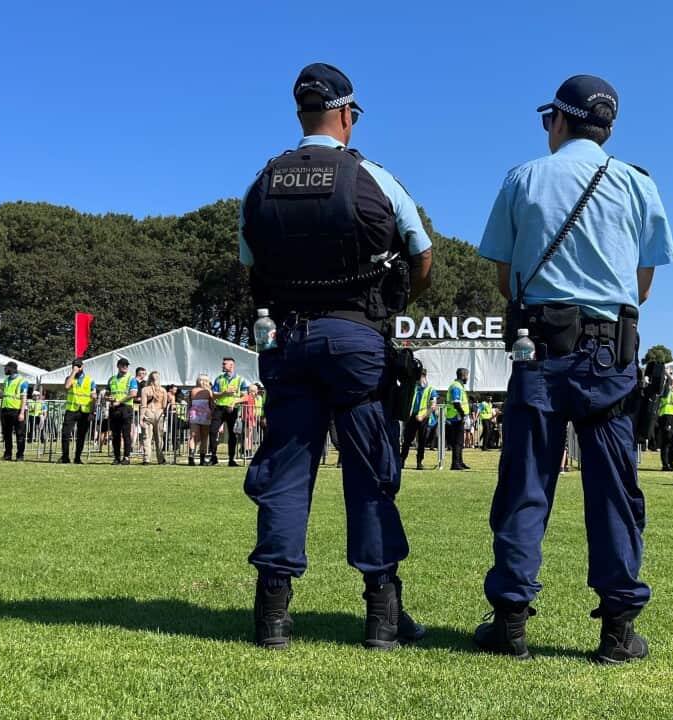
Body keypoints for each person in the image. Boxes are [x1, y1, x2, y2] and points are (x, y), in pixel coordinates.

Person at [473, 74, 673, 664]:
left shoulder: (524, 177)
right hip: (612, 351)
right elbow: (644, 280)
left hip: (538, 349)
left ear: (558, 121)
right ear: (608, 128)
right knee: (614, 489)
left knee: (525, 484)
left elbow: (503, 274)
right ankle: (617, 630)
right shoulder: (639, 184)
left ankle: (510, 621)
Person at [237, 62, 433, 651]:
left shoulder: (261, 182)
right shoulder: (374, 177)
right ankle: (382, 615)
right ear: (347, 114)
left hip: (288, 343)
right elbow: (421, 256)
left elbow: (250, 266)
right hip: (355, 341)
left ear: (301, 113)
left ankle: (272, 615)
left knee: (284, 475)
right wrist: (392, 304)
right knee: (370, 471)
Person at [210, 357, 247, 467]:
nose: (222, 366)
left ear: (231, 365)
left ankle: (231, 459)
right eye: (223, 364)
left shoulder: (240, 380)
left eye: (224, 364)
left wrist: (235, 402)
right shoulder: (219, 378)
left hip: (232, 410)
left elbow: (245, 397)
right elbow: (213, 394)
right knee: (212, 431)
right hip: (219, 408)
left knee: (232, 434)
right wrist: (224, 392)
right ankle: (213, 456)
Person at [59, 359, 96, 464]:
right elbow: (66, 387)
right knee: (65, 434)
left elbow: (94, 397)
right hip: (71, 410)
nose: (77, 367)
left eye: (79, 366)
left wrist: (92, 412)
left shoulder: (90, 380)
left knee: (81, 435)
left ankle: (77, 457)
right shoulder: (69, 378)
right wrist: (73, 372)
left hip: (84, 411)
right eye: (75, 365)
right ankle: (65, 457)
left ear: (83, 367)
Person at [400, 368, 437, 470]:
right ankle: (401, 460)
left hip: (423, 418)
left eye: (417, 378)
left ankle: (419, 462)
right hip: (412, 417)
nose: (416, 380)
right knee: (407, 440)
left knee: (422, 441)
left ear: (423, 376)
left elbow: (433, 406)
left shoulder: (430, 389)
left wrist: (423, 416)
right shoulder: (414, 387)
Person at [106, 358, 139, 465]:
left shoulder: (131, 379)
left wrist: (119, 401)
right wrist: (108, 398)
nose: (125, 367)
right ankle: (116, 457)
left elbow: (133, 394)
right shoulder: (112, 379)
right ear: (118, 366)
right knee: (115, 435)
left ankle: (126, 457)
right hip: (114, 408)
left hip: (126, 408)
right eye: (123, 365)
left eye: (126, 365)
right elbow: (107, 393)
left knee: (126, 434)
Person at [0, 362, 30, 461]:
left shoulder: (22, 381)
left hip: (16, 411)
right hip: (5, 410)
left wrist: (21, 413)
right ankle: (7, 454)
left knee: (20, 434)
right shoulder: (6, 380)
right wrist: (0, 410)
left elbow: (24, 397)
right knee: (6, 434)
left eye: (6, 368)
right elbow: (4, 396)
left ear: (11, 369)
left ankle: (20, 455)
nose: (4, 370)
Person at [140, 370, 169, 465]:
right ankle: (160, 459)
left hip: (148, 412)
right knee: (159, 437)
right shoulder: (163, 390)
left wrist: (141, 417)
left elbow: (143, 405)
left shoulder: (145, 390)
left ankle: (146, 459)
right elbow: (164, 405)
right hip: (159, 413)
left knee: (146, 437)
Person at [445, 368, 471, 470]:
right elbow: (456, 402)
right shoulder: (457, 387)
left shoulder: (458, 386)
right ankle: (455, 464)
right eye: (467, 376)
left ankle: (459, 462)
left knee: (459, 441)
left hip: (456, 416)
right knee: (458, 441)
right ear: (463, 376)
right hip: (456, 416)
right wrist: (463, 414)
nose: (467, 378)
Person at [656, 374, 673, 471]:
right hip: (666, 417)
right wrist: (667, 373)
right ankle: (665, 464)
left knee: (672, 442)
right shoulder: (665, 392)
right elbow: (668, 382)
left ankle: (671, 463)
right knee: (667, 442)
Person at [188, 375, 213, 466]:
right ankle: (202, 459)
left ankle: (191, 457)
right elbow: (211, 403)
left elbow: (189, 404)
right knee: (204, 437)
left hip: (194, 413)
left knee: (193, 436)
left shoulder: (193, 391)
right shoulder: (208, 391)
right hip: (205, 413)